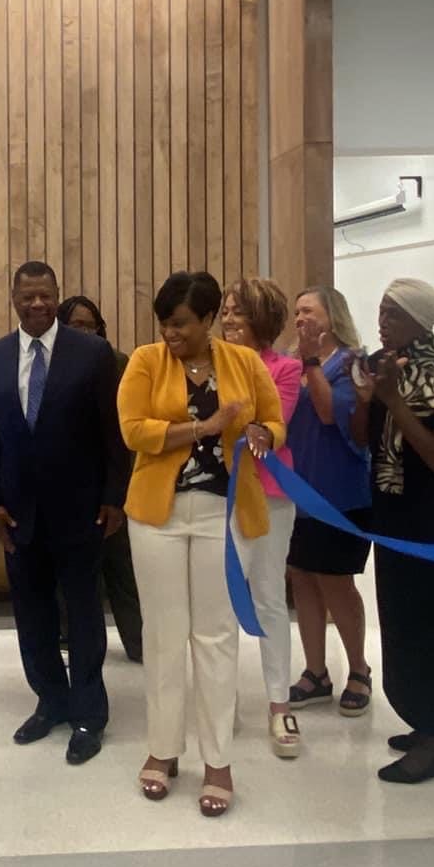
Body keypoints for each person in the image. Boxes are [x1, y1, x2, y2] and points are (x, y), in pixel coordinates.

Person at [119, 271, 286, 818]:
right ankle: (163, 750)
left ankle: (218, 761)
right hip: (157, 516)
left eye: (182, 325)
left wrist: (261, 434)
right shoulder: (146, 361)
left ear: (209, 318)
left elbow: (272, 419)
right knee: (164, 634)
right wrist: (205, 427)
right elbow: (134, 431)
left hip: (225, 513)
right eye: (165, 324)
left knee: (215, 637)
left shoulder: (245, 362)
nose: (171, 334)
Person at [0, 262, 130, 766]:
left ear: (56, 296)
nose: (36, 305)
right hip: (18, 515)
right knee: (32, 614)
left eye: (45, 296)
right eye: (27, 297)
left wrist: (115, 496)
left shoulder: (93, 353)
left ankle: (89, 714)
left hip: (82, 511)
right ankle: (50, 701)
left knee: (83, 615)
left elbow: (114, 432)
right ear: (13, 299)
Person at [356, 278, 434, 785]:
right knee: (403, 623)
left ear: (420, 320)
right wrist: (371, 398)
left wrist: (393, 401)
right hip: (395, 518)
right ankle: (425, 719)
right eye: (381, 311)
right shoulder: (387, 368)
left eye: (394, 314)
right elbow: (364, 442)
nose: (383, 321)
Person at [218, 277, 305, 758]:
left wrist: (229, 417)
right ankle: (222, 699)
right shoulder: (212, 361)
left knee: (269, 597)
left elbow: (268, 432)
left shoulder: (285, 369)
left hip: (270, 496)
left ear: (263, 319)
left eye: (239, 311)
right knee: (226, 601)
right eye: (226, 310)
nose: (228, 319)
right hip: (222, 499)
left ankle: (278, 702)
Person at [282, 286, 374, 721]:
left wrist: (311, 359)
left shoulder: (352, 363)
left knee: (335, 581)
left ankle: (358, 669)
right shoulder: (290, 360)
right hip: (296, 491)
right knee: (301, 578)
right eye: (297, 312)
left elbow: (327, 413)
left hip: (338, 492)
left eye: (309, 311)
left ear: (332, 316)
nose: (300, 318)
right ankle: (315, 672)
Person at [60, 294, 142, 663]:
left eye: (88, 325)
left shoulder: (118, 362)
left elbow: (127, 426)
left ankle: (139, 642)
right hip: (70, 484)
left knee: (122, 567)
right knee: (76, 573)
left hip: (114, 479)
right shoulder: (52, 363)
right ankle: (75, 640)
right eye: (73, 325)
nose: (82, 331)